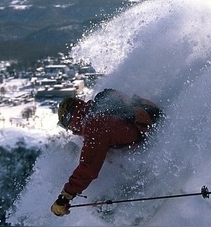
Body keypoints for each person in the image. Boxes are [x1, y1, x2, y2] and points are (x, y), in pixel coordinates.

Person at [50, 89, 162, 217]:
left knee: (93, 154)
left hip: (146, 140)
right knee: (88, 151)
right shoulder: (98, 109)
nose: (71, 131)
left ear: (71, 121)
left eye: (68, 127)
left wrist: (65, 197)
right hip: (149, 124)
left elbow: (88, 168)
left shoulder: (93, 127)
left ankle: (138, 189)